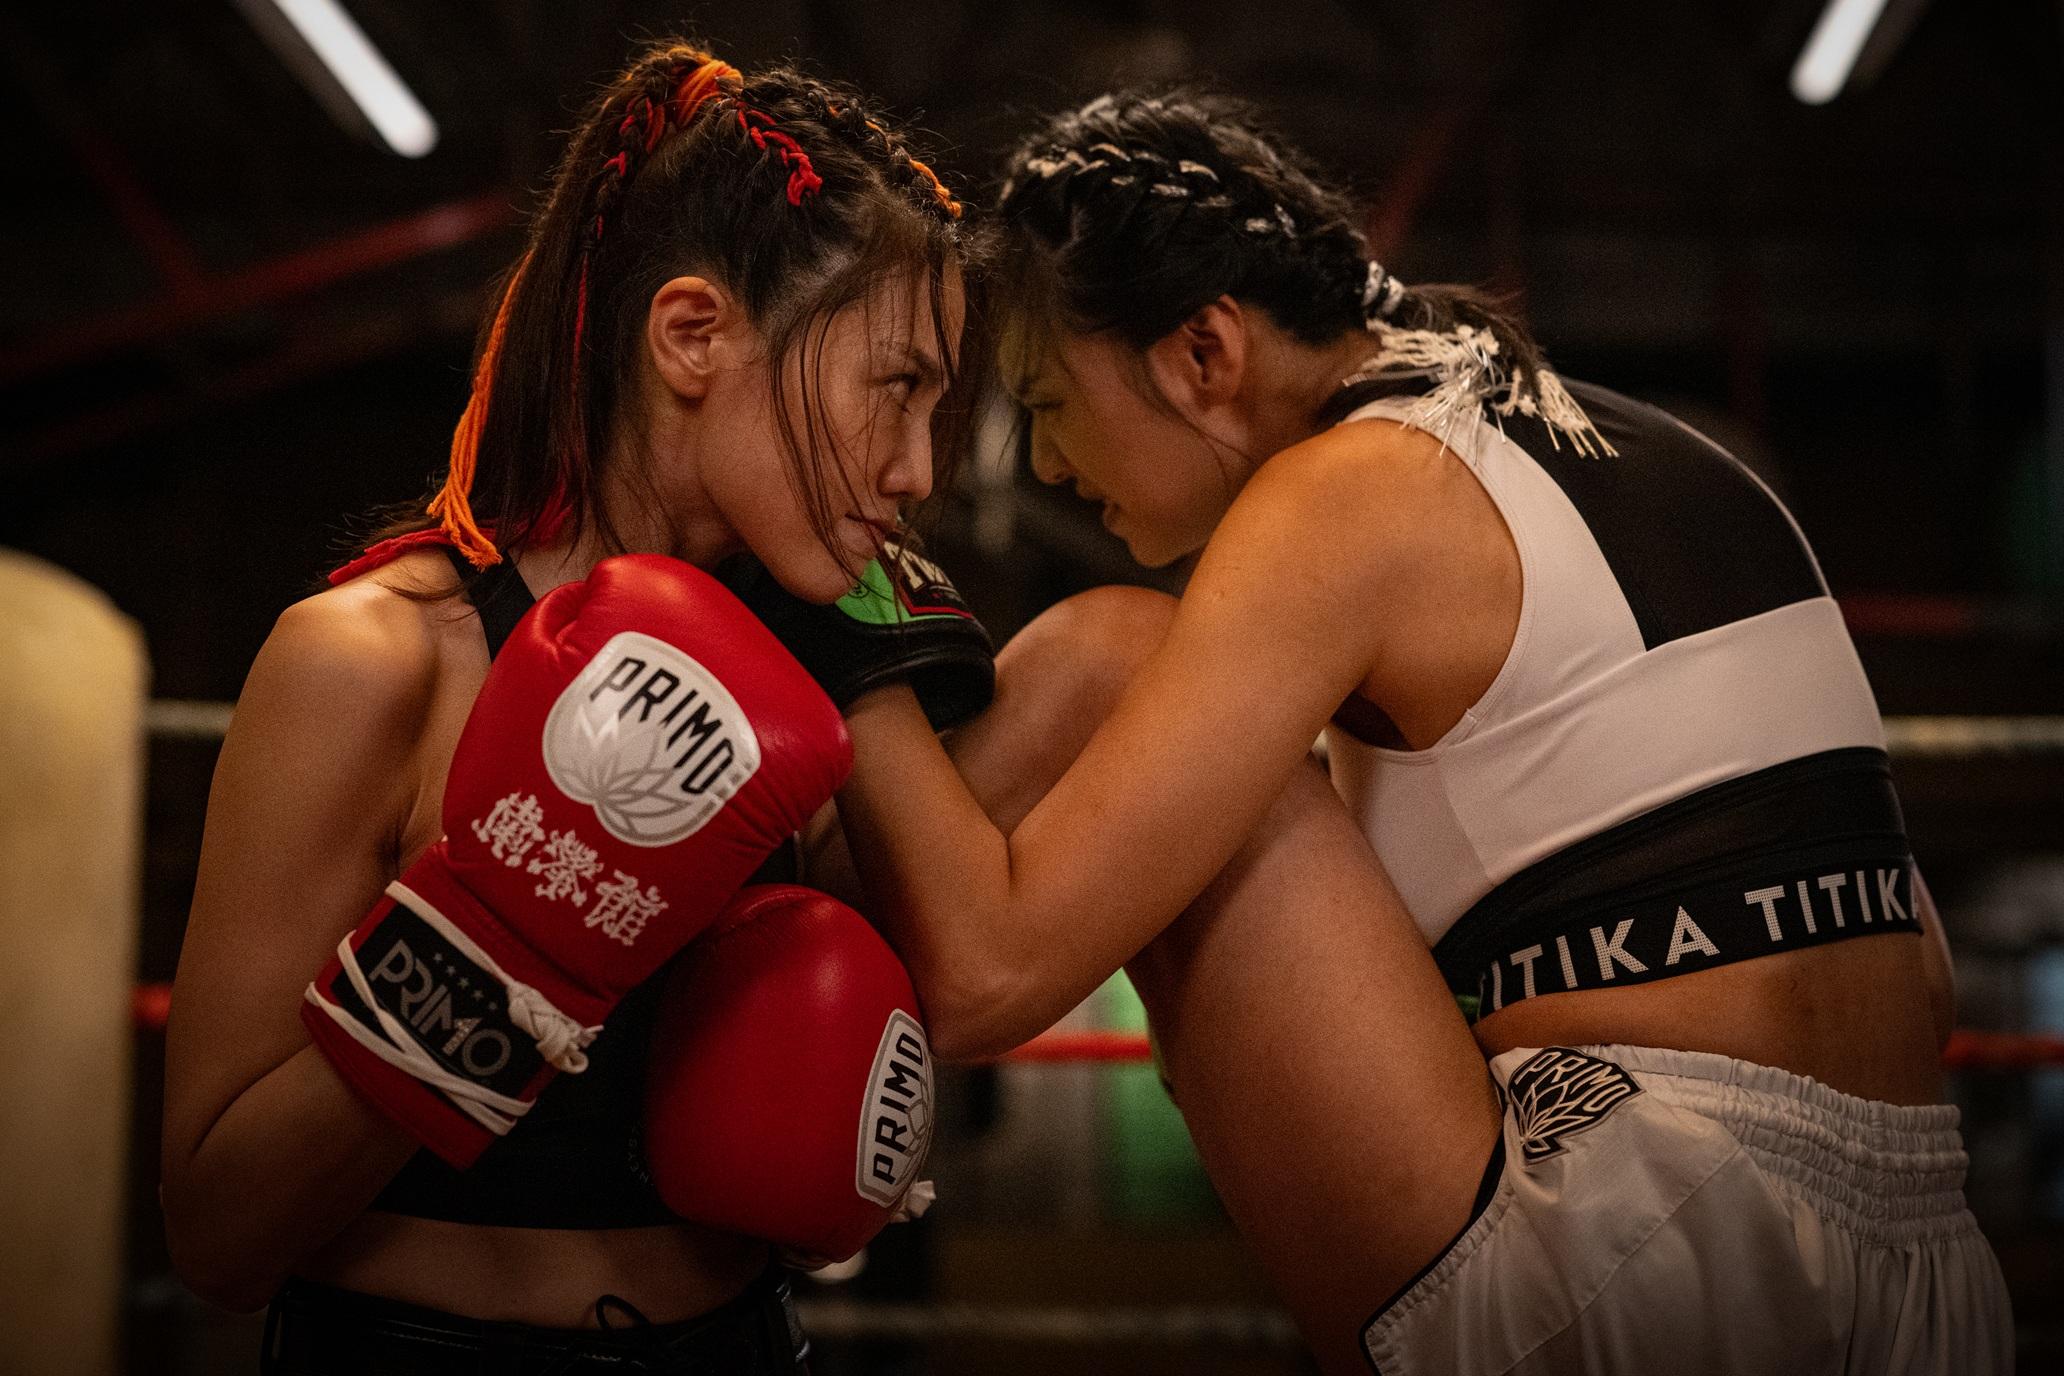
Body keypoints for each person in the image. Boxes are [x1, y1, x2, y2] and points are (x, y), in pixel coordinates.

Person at [749, 90, 2014, 1374]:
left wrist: (852, 628)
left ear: (1204, 354)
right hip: (1941, 1272)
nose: (1047, 467)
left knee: (1109, 655)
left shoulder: (1342, 493)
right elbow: (1924, 974)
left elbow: (985, 977)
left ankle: (749, 918)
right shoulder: (1680, 452)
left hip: (1645, 1251)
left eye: (1046, 401)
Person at [159, 40, 986, 1374]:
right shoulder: (373, 662)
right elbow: (216, 1233)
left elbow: (982, 947)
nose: (917, 470)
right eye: (896, 387)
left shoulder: (810, 699)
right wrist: (502, 946)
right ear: (693, 335)